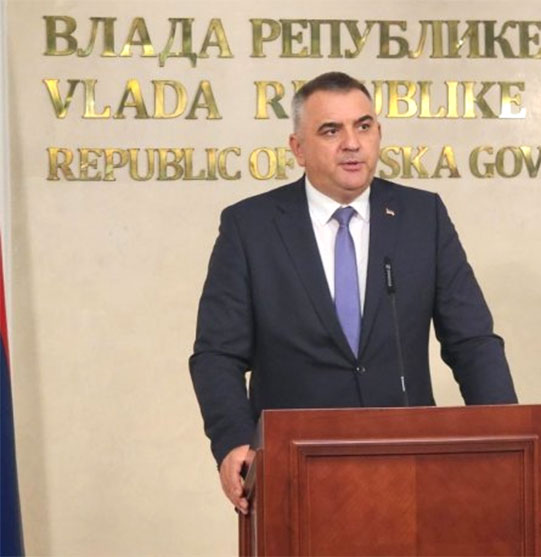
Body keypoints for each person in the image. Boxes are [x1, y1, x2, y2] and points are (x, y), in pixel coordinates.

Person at [189, 72, 517, 514]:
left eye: (363, 126)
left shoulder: (422, 217)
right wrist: (233, 442)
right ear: (298, 149)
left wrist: (504, 436)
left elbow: (472, 341)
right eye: (331, 130)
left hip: (410, 465)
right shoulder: (251, 228)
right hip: (292, 471)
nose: (352, 143)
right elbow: (217, 354)